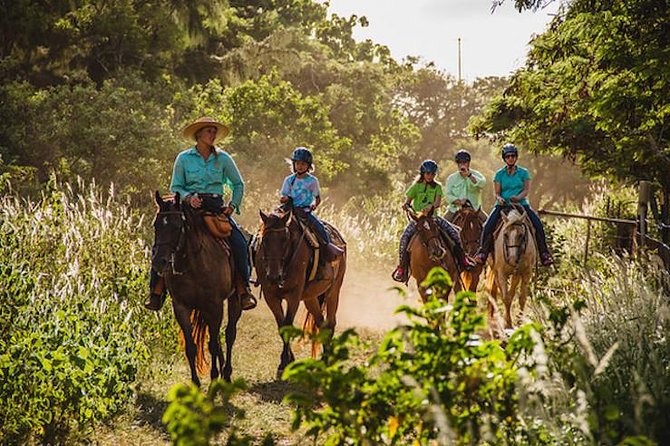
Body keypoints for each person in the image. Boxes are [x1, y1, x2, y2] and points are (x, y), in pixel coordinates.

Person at [145, 116, 257, 311]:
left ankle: (243, 288)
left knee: (239, 242)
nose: (212, 135)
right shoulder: (183, 158)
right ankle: (156, 291)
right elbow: (176, 186)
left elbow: (238, 184)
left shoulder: (223, 158)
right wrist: (188, 198)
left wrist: (232, 206)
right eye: (209, 131)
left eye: (214, 132)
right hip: (189, 206)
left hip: (214, 207)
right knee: (164, 240)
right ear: (198, 134)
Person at [392, 159, 476, 283]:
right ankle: (402, 267)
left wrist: (431, 207)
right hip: (418, 220)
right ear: (423, 174)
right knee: (404, 239)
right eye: (428, 173)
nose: (430, 176)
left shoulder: (437, 187)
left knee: (455, 233)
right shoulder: (416, 187)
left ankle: (463, 259)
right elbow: (408, 201)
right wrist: (406, 206)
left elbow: (437, 203)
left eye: (432, 174)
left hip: (433, 218)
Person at [474, 143, 554, 266]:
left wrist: (518, 197)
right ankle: (482, 253)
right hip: (503, 205)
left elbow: (526, 190)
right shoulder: (499, 174)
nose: (510, 158)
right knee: (488, 226)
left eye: (512, 156)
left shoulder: (524, 173)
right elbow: (497, 193)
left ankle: (544, 254)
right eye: (508, 156)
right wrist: (500, 198)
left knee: (538, 225)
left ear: (516, 157)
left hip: (521, 204)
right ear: (504, 158)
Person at [279, 147, 344, 261]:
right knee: (272, 223)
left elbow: (317, 198)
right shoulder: (289, 180)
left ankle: (327, 246)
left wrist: (314, 206)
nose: (300, 166)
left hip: (304, 210)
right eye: (298, 163)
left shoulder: (312, 181)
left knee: (318, 226)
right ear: (293, 164)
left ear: (308, 166)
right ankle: (257, 245)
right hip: (289, 209)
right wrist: (285, 199)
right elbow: (283, 196)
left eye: (303, 164)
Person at [444, 149, 487, 223]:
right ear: (457, 164)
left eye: (465, 162)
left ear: (469, 163)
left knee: (488, 226)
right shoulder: (451, 178)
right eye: (460, 163)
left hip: (475, 209)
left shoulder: (476, 174)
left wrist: (469, 175)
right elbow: (447, 195)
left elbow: (482, 184)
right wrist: (459, 201)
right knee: (442, 226)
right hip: (455, 209)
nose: (462, 165)